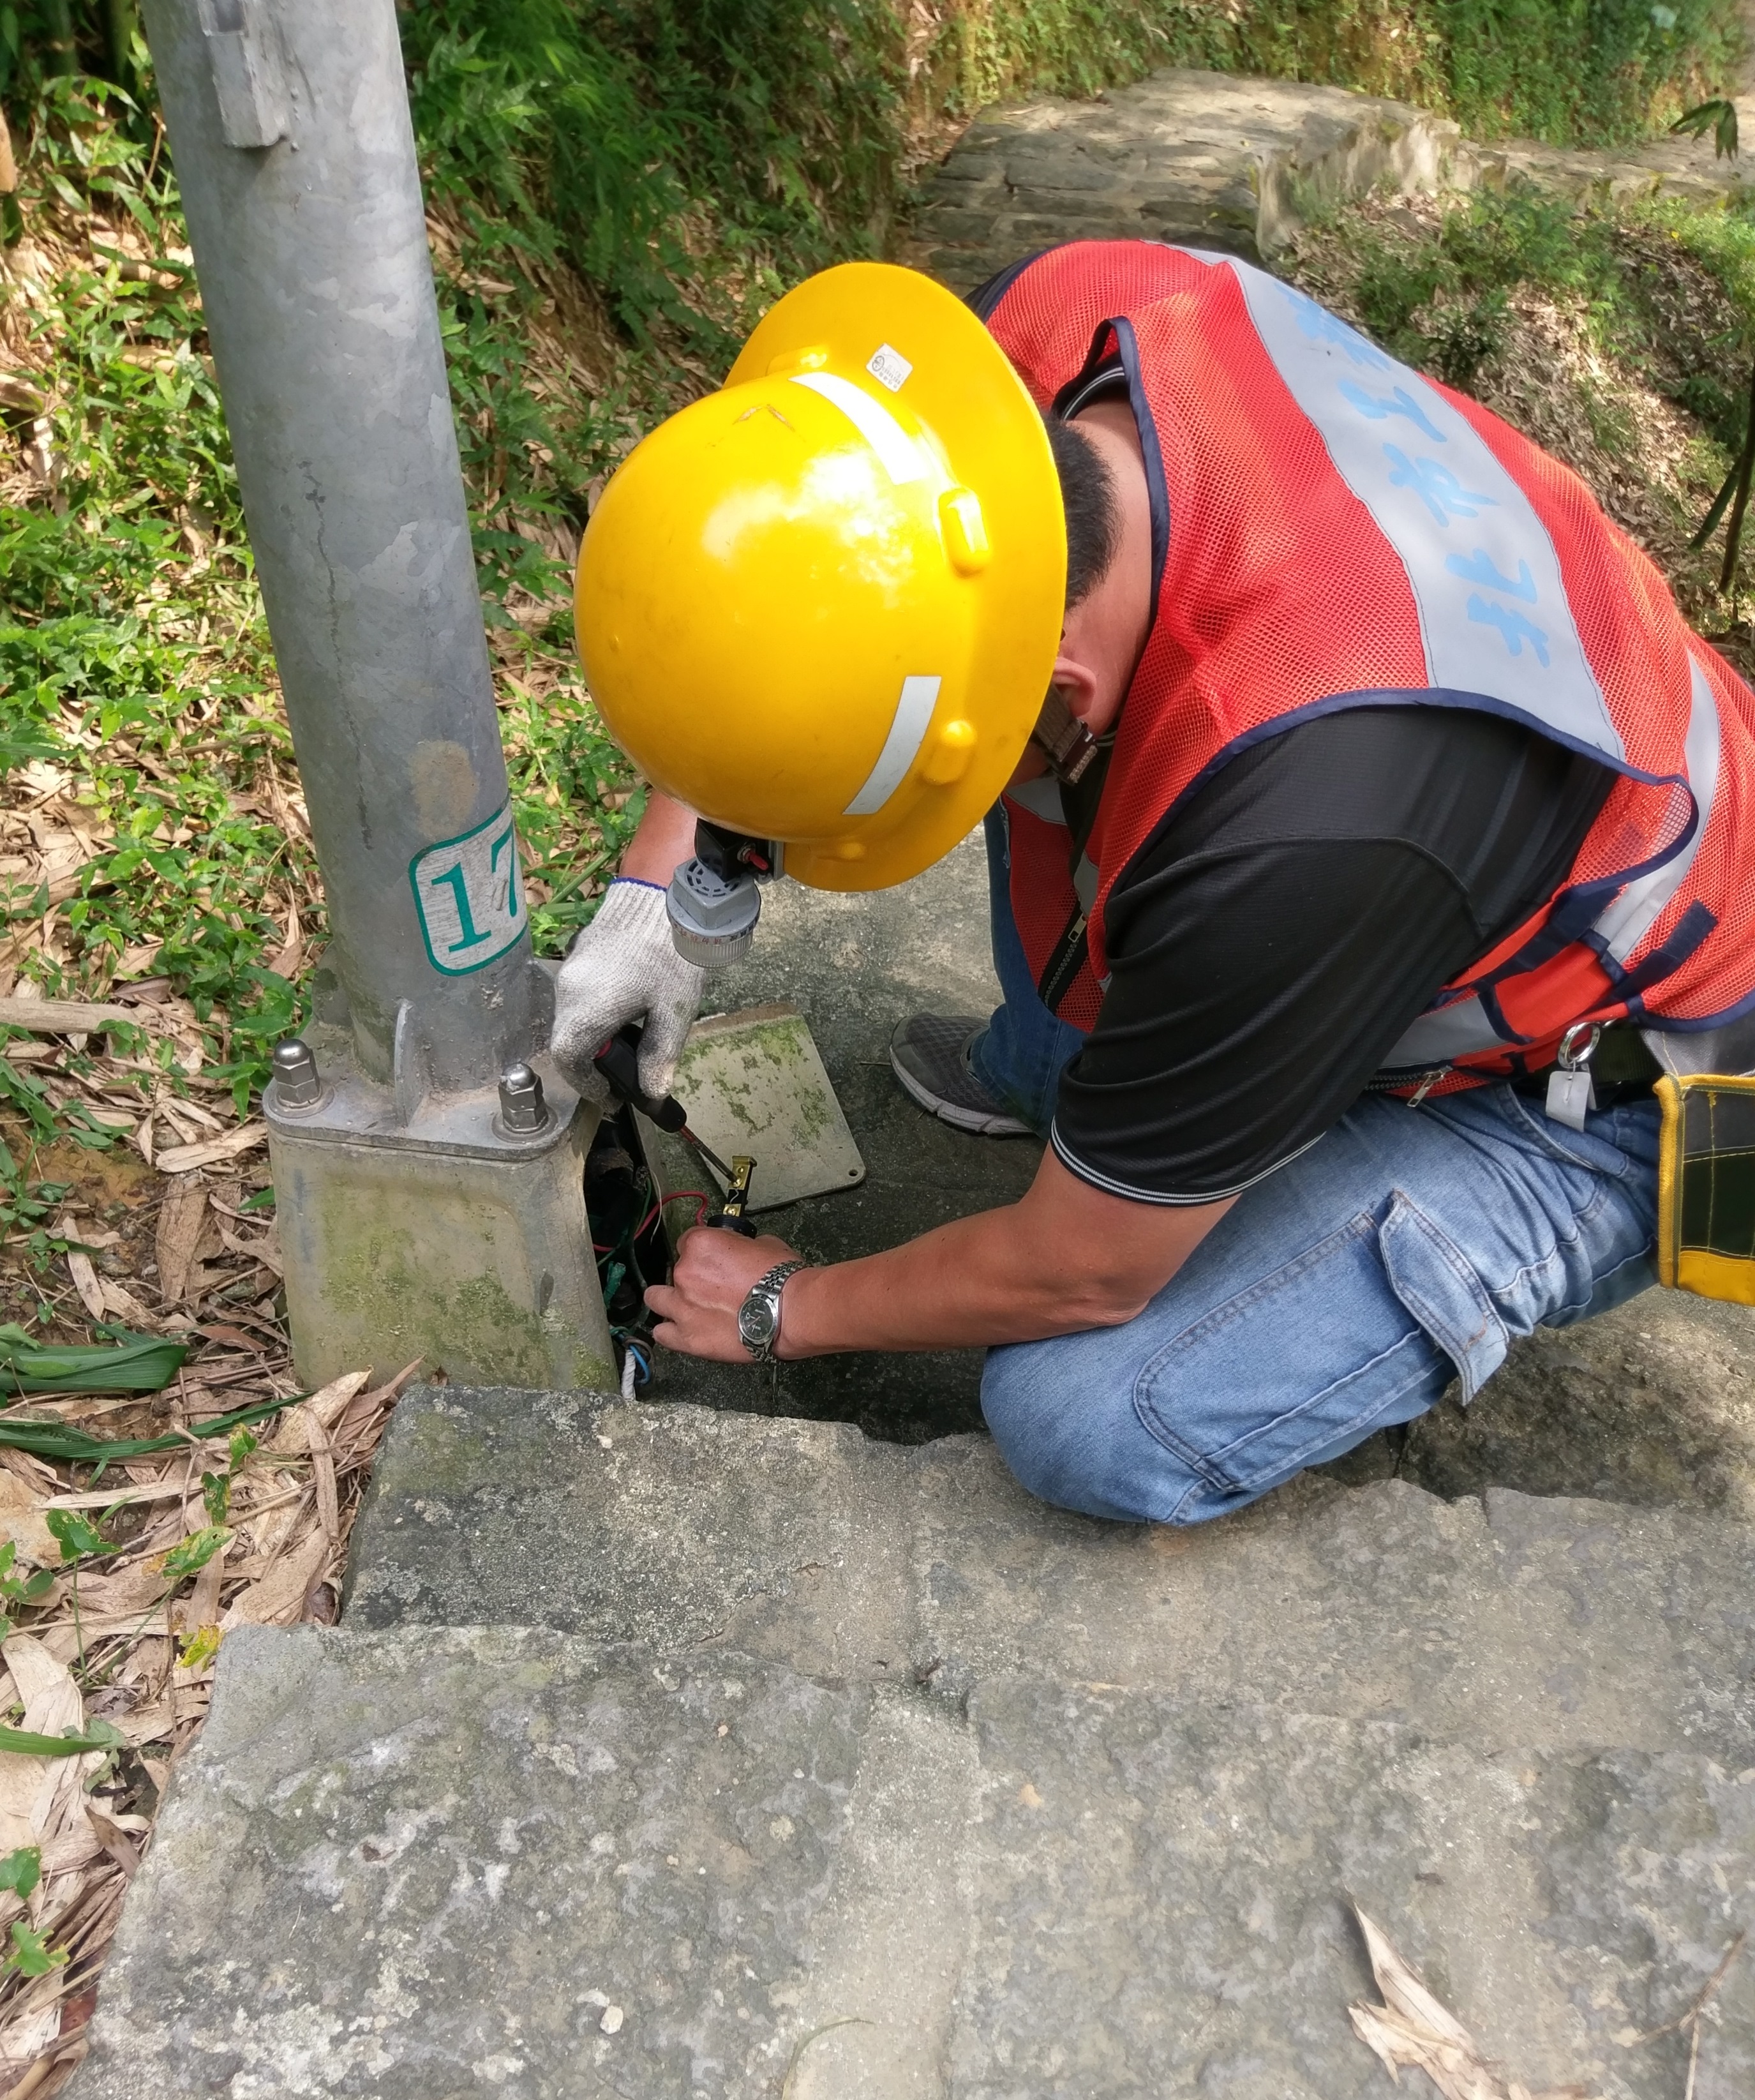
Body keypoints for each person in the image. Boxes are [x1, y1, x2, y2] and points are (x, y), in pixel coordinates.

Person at [551, 241, 1755, 1527]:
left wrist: (787, 1305)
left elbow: (1083, 1275)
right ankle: (1127, 1103)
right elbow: (783, 590)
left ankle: (1232, 1137)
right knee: (1072, 847)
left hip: (1636, 1078)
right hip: (1471, 831)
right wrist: (657, 891)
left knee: (1082, 1413)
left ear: (1059, 690)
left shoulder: (1301, 829)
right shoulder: (1021, 352)